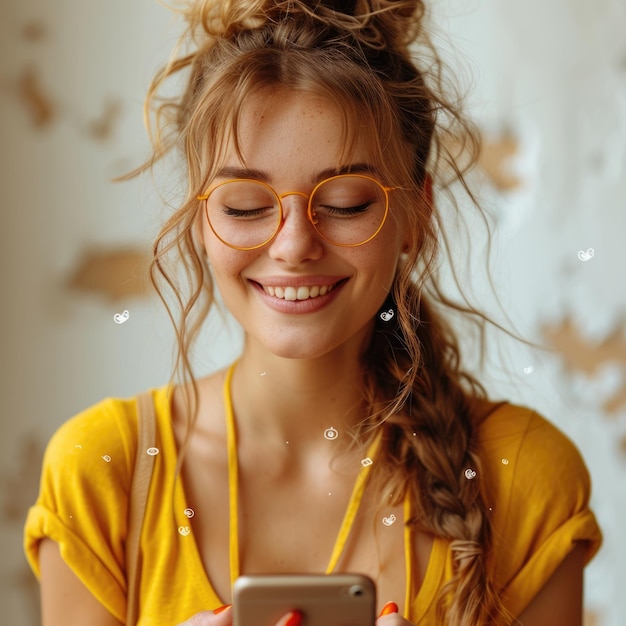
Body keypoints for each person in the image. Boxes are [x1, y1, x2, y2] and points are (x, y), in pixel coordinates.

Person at [24, 1, 602, 625]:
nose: (295, 245)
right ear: (199, 221)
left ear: (417, 216)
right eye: (245, 206)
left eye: (349, 203)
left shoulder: (525, 479)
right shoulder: (100, 473)